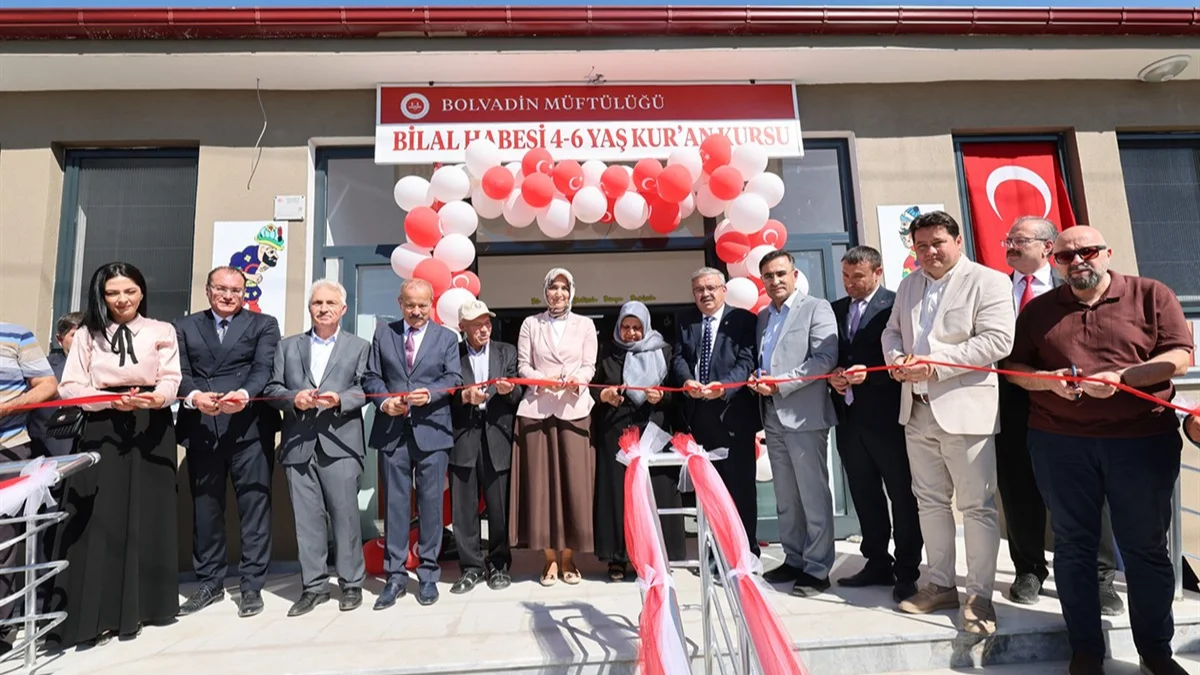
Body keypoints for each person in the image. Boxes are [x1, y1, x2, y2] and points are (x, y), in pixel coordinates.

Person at [1005, 226, 1192, 675]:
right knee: (1073, 548)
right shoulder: (1039, 310)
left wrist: (1124, 378)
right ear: (1054, 261)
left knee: (1146, 549)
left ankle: (1155, 652)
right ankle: (1086, 651)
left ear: (1107, 253)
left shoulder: (1151, 294)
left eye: (1087, 251)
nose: (1077, 261)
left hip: (1142, 442)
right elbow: (1013, 367)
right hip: (1059, 443)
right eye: (1065, 256)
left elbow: (1181, 356)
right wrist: (1046, 382)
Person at [881, 210, 1014, 635]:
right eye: (921, 246)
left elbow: (997, 340)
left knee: (976, 507)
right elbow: (891, 332)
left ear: (958, 241)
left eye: (937, 243)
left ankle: (979, 596)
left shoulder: (988, 281)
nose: (929, 252)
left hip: (965, 411)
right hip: (916, 409)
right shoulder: (909, 284)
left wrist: (935, 365)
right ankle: (940, 584)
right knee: (930, 502)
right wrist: (896, 359)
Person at [51, 262, 181, 647]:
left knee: (148, 512)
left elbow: (171, 377)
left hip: (150, 425)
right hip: (102, 425)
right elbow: (70, 386)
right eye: (112, 293)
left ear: (142, 292)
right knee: (100, 514)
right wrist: (107, 401)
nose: (122, 299)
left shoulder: (161, 330)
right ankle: (97, 613)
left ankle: (146, 606)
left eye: (129, 291)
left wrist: (157, 398)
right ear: (101, 296)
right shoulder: (87, 335)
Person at [996, 217, 1122, 614]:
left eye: (1019, 239)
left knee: (1086, 492)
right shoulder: (993, 288)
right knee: (1018, 488)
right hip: (1010, 401)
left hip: (1073, 404)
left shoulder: (1074, 286)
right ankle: (1029, 569)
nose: (1010, 246)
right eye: (1008, 240)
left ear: (1047, 248)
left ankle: (1100, 578)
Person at [175, 265, 281, 618]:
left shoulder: (263, 324)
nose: (228, 295)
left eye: (236, 290)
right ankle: (210, 583)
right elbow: (179, 372)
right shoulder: (184, 326)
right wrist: (194, 397)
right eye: (221, 288)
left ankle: (251, 586)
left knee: (255, 508)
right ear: (208, 290)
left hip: (248, 428)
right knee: (206, 510)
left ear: (244, 294)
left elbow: (263, 368)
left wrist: (245, 395)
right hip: (203, 427)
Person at [263, 280, 369, 616]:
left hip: (341, 443)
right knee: (307, 521)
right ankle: (314, 587)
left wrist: (341, 399)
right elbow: (272, 389)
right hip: (298, 444)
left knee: (345, 518)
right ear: (309, 308)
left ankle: (351, 584)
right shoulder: (287, 346)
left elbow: (365, 387)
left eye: (330, 303)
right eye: (317, 303)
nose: (323, 309)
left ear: (343, 309)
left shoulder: (359, 346)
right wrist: (293, 399)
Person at [827, 246, 922, 603]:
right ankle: (877, 561)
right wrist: (833, 376)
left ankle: (907, 569)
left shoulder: (895, 306)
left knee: (902, 496)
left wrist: (872, 376)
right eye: (845, 276)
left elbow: (906, 358)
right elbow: (833, 355)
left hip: (889, 419)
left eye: (858, 277)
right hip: (849, 420)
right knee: (864, 494)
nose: (850, 283)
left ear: (878, 272)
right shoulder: (835, 309)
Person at [364, 278, 462, 609]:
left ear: (431, 304)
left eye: (422, 305)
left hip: (432, 429)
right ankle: (394, 576)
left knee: (431, 504)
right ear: (400, 303)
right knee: (395, 505)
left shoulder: (447, 338)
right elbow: (371, 377)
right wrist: (384, 402)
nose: (416, 311)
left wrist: (430, 394)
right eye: (410, 305)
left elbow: (454, 378)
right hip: (393, 430)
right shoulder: (383, 334)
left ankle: (429, 574)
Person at [748, 251, 838, 597]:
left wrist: (780, 383)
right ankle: (794, 558)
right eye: (768, 276)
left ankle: (817, 568)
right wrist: (759, 377)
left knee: (812, 495)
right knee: (786, 495)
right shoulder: (763, 316)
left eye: (781, 273)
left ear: (795, 274)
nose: (775, 281)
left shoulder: (816, 308)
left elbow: (825, 358)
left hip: (803, 414)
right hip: (771, 413)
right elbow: (766, 359)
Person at [511, 268, 598, 586]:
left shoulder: (585, 324)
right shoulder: (530, 324)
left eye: (563, 287)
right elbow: (523, 365)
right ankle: (549, 560)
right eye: (552, 287)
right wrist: (541, 379)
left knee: (574, 486)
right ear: (544, 291)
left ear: (571, 291)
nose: (558, 293)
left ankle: (569, 558)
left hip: (574, 409)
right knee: (541, 488)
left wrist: (578, 380)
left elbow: (589, 365)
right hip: (537, 409)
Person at [671, 267, 760, 560]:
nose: (705, 294)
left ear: (724, 290)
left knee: (739, 487)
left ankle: (745, 553)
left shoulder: (744, 320)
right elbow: (678, 357)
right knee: (709, 490)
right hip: (698, 417)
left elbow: (746, 361)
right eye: (699, 289)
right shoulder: (685, 320)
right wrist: (686, 381)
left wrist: (724, 388)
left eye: (711, 288)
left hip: (732, 416)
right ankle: (715, 552)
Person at [593, 301, 685, 582]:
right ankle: (618, 558)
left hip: (653, 430)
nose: (631, 333)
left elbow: (678, 392)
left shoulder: (664, 351)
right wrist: (604, 395)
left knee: (655, 493)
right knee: (619, 495)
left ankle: (656, 555)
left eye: (636, 327)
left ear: (646, 326)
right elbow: (593, 387)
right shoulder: (608, 352)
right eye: (626, 327)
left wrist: (663, 396)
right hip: (616, 432)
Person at [448, 299, 522, 594]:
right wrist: (463, 398)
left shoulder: (507, 351)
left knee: (498, 506)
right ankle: (471, 567)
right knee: (464, 508)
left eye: (487, 323)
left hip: (496, 437)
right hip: (463, 437)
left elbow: (518, 395)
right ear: (462, 327)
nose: (484, 329)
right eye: (476, 325)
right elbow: (444, 395)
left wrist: (509, 390)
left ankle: (499, 564)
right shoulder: (451, 353)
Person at [0, 319, 56, 653]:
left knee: (4, 539)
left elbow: (46, 384)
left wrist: (8, 407)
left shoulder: (16, 335)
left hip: (8, 448)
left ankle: (2, 625)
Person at [29, 311, 84, 458]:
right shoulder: (42, 369)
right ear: (60, 339)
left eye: (87, 335)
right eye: (75, 335)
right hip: (50, 451)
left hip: (90, 448)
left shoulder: (104, 369)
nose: (82, 340)